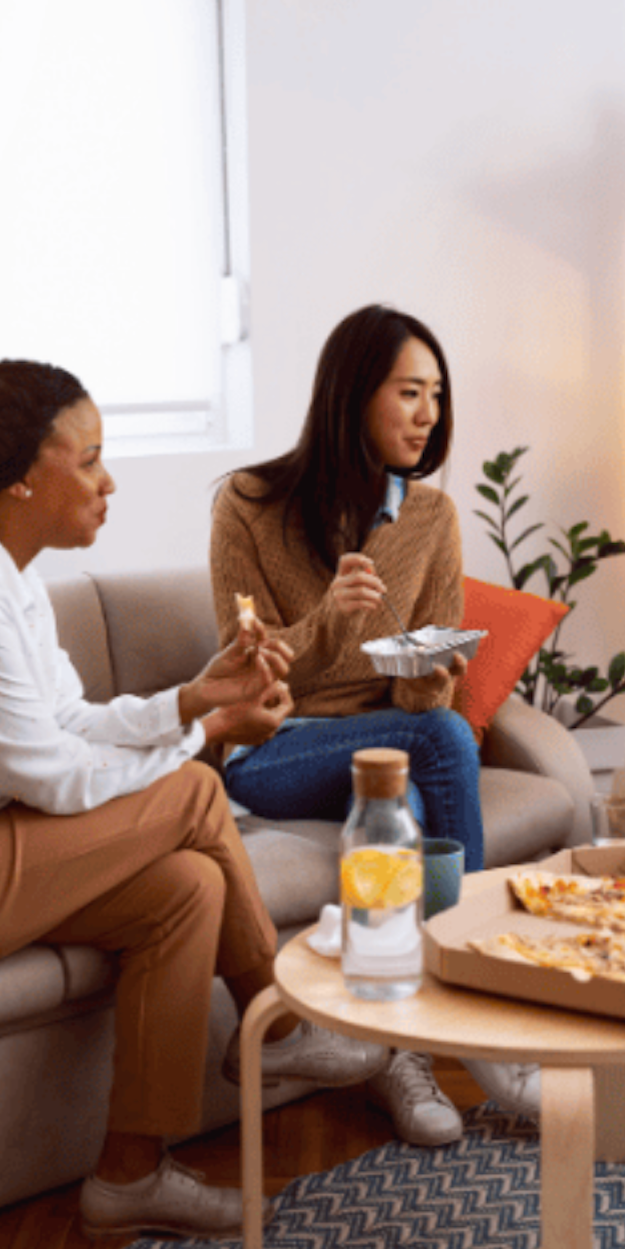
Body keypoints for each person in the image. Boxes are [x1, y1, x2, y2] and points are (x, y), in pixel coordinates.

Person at [0, 359, 388, 1242]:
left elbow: (66, 720)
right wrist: (208, 738)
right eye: (90, 458)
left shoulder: (6, 574)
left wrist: (191, 698)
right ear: (23, 474)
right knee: (189, 792)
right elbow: (53, 781)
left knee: (187, 889)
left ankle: (130, 1177)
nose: (109, 480)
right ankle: (279, 1023)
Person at [209, 304, 485, 1146]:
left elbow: (418, 697)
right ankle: (473, 998)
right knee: (445, 745)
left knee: (420, 787)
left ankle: (404, 1050)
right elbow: (239, 669)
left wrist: (427, 680)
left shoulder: (432, 517)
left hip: (388, 743)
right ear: (352, 395)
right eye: (409, 391)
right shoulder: (248, 504)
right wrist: (328, 624)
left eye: (436, 394)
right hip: (275, 748)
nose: (428, 413)